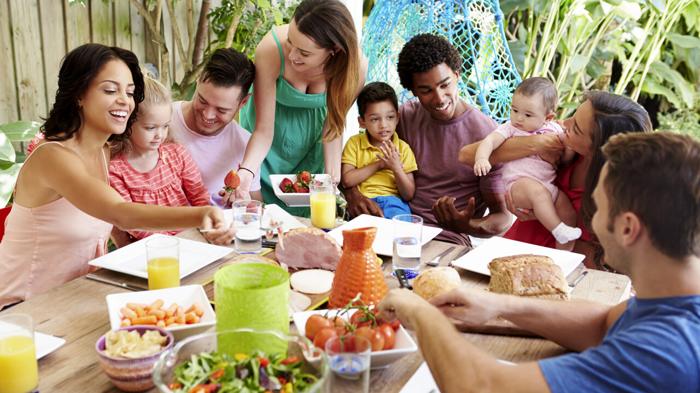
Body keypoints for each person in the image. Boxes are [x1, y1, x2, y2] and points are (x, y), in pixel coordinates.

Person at [379, 132, 700, 393]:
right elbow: (603, 323)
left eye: (598, 208)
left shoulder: (666, 352)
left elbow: (480, 387)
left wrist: (419, 312)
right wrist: (498, 305)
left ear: (628, 228)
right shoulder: (674, 297)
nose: (594, 221)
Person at [0, 44, 227, 309]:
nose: (125, 100)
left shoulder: (104, 152)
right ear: (78, 95)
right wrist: (201, 214)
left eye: (130, 93)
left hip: (75, 298)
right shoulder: (53, 157)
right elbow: (119, 212)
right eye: (110, 90)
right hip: (21, 308)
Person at [345, 33, 510, 245]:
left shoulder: (486, 134)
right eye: (426, 90)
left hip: (448, 239)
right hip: (394, 228)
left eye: (445, 85)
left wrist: (466, 225)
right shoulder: (403, 118)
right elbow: (356, 159)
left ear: (457, 75)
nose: (439, 98)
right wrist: (353, 195)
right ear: (412, 90)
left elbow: (502, 217)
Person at [460, 91, 651, 266]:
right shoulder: (558, 145)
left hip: (553, 269)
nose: (564, 123)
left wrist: (546, 215)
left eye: (575, 127)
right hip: (512, 250)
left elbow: (591, 262)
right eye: (572, 116)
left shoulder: (613, 197)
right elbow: (466, 155)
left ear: (598, 151)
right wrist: (535, 144)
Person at [237, 0, 368, 215]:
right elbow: (262, 131)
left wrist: (331, 181)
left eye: (304, 53)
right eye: (291, 42)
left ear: (333, 50)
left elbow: (333, 127)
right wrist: (247, 171)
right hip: (265, 149)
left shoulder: (355, 68)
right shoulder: (272, 49)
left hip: (311, 150)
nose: (292, 56)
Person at [474, 77, 580, 249]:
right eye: (514, 110)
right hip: (518, 185)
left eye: (528, 115)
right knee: (538, 194)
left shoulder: (555, 129)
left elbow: (565, 159)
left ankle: (565, 254)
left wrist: (569, 148)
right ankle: (558, 229)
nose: (519, 118)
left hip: (546, 186)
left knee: (567, 210)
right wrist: (481, 158)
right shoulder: (510, 128)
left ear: (548, 117)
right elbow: (490, 141)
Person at [109, 76, 210, 247]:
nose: (160, 135)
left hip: (191, 237)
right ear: (127, 123)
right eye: (150, 128)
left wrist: (208, 226)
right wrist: (168, 242)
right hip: (149, 247)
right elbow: (132, 221)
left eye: (165, 126)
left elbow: (198, 195)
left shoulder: (177, 153)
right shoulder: (115, 170)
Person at [169, 47, 262, 210]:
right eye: (202, 101)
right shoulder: (161, 122)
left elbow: (257, 208)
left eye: (221, 110)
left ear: (243, 103)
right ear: (198, 82)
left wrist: (244, 204)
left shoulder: (246, 145)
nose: (208, 115)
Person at [341, 82, 417, 219]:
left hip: (394, 204)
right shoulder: (354, 143)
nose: (383, 125)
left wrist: (396, 167)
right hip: (363, 202)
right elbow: (347, 180)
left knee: (402, 230)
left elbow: (408, 194)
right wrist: (379, 164)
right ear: (362, 122)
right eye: (375, 119)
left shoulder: (403, 148)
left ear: (397, 118)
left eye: (390, 117)